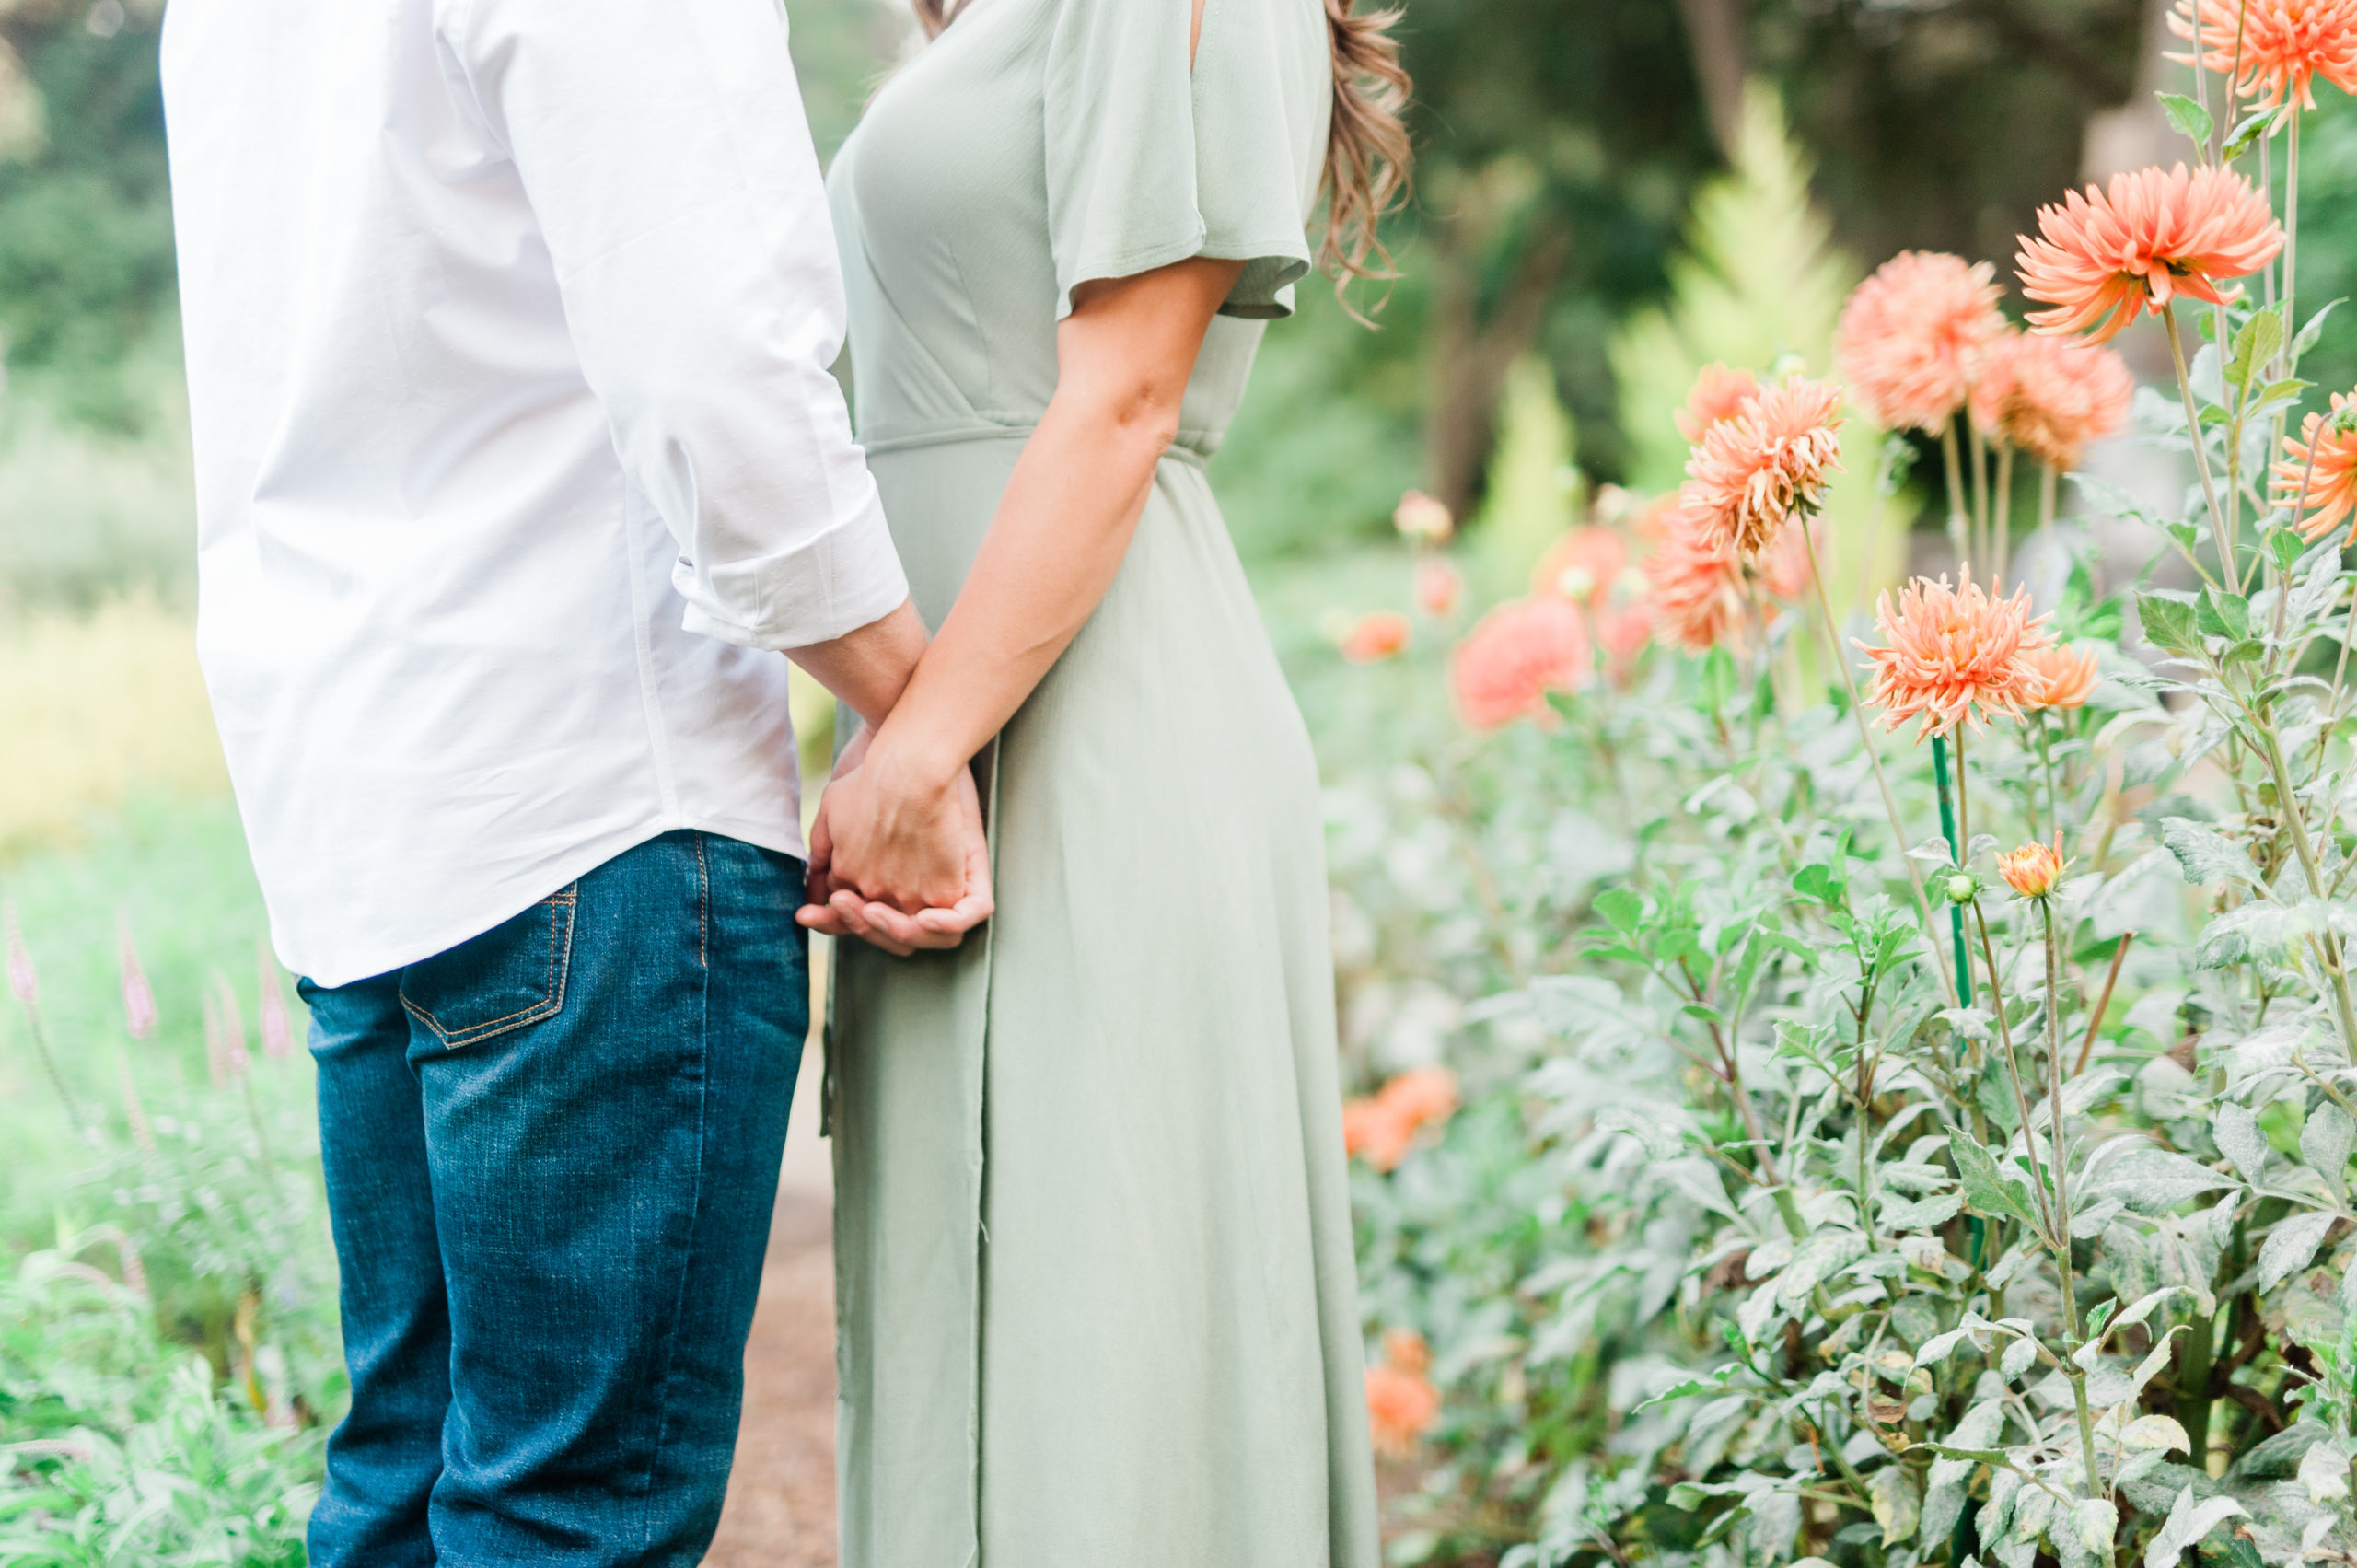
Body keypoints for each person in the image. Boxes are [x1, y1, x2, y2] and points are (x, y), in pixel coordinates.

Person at [158, 2, 987, 1562]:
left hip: (363, 798)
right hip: (592, 787)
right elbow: (714, 374)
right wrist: (917, 716)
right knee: (560, 1520)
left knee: (406, 1488)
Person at [800, 0, 1412, 1560]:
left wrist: (923, 749)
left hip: (1082, 734)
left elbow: (1128, 394)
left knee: (1106, 1394)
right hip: (965, 717)